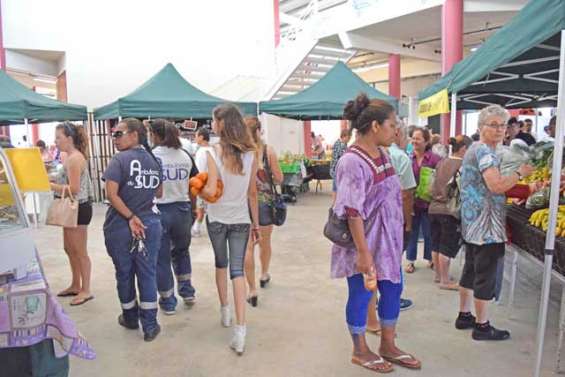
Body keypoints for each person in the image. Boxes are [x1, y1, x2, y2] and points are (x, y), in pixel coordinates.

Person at [333, 93, 420, 373]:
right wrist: (363, 252)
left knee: (393, 289)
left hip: (388, 242)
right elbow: (352, 211)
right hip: (365, 243)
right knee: (361, 293)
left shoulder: (382, 153)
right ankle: (360, 350)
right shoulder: (352, 161)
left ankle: (388, 344)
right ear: (374, 126)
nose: (396, 130)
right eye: (392, 124)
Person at [456, 105, 534, 341]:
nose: (500, 129)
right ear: (480, 128)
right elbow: (496, 186)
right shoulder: (486, 153)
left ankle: (464, 315)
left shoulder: (476, 149)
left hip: (472, 222)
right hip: (486, 226)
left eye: (503, 124)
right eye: (494, 125)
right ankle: (482, 326)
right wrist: (520, 174)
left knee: (471, 269)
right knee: (485, 275)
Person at [202, 104, 259, 355]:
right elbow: (252, 193)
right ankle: (241, 330)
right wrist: (255, 223)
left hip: (216, 218)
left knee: (221, 264)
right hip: (241, 219)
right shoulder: (251, 153)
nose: (212, 125)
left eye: (214, 121)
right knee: (238, 271)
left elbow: (211, 190)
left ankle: (225, 310)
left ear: (221, 123)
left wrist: (197, 189)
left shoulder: (212, 153)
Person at [103, 118, 163, 342]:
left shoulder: (118, 160)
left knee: (124, 273)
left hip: (120, 225)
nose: (115, 138)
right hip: (149, 224)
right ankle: (149, 326)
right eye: (114, 134)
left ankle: (129, 317)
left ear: (135, 135)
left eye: (119, 134)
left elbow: (111, 194)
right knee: (148, 273)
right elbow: (159, 193)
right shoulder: (154, 161)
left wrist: (129, 216)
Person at [367, 121, 417, 335]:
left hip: (368, 224)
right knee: (391, 275)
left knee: (369, 274)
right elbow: (406, 194)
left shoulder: (361, 156)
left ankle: (371, 321)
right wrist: (408, 222)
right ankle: (385, 328)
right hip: (390, 223)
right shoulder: (400, 158)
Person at [149, 119, 196, 314]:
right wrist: (193, 209)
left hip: (159, 211)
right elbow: (195, 184)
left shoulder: (151, 157)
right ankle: (187, 291)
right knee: (182, 251)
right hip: (183, 209)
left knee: (162, 258)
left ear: (156, 135)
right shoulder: (185, 156)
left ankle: (168, 301)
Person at [50, 123, 94, 306]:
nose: (56, 141)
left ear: (69, 138)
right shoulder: (69, 157)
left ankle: (86, 289)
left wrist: (50, 186)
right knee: (69, 249)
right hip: (71, 208)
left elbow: (74, 189)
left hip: (79, 208)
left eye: (58, 137)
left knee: (80, 251)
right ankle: (76, 284)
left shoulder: (75, 159)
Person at [243, 117, 283, 307]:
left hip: (242, 205)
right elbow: (279, 178)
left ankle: (251, 290)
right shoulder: (268, 151)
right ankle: (264, 274)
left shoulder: (239, 152)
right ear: (258, 131)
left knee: (247, 247)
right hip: (264, 204)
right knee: (265, 243)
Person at [429, 135, 472, 289]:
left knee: (435, 243)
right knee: (446, 245)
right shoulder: (463, 165)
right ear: (464, 149)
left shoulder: (441, 162)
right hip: (450, 210)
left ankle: (438, 275)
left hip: (433, 207)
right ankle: (445, 280)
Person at [405, 127, 441, 273]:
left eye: (418, 138)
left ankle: (430, 259)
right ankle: (410, 261)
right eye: (413, 138)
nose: (414, 141)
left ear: (426, 141)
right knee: (411, 232)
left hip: (429, 203)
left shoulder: (435, 159)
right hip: (411, 203)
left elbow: (441, 179)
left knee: (429, 232)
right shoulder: (408, 158)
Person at [191, 127, 213, 237]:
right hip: (213, 184)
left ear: (201, 137)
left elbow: (199, 170)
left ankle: (196, 229)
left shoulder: (201, 152)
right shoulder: (213, 149)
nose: (195, 138)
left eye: (196, 136)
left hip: (203, 183)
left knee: (200, 208)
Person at [330, 128, 352, 201]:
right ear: (344, 136)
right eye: (348, 138)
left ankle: (338, 203)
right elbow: (339, 157)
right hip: (336, 169)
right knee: (336, 187)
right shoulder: (338, 144)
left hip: (340, 169)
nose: (349, 140)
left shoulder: (344, 144)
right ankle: (334, 205)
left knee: (339, 187)